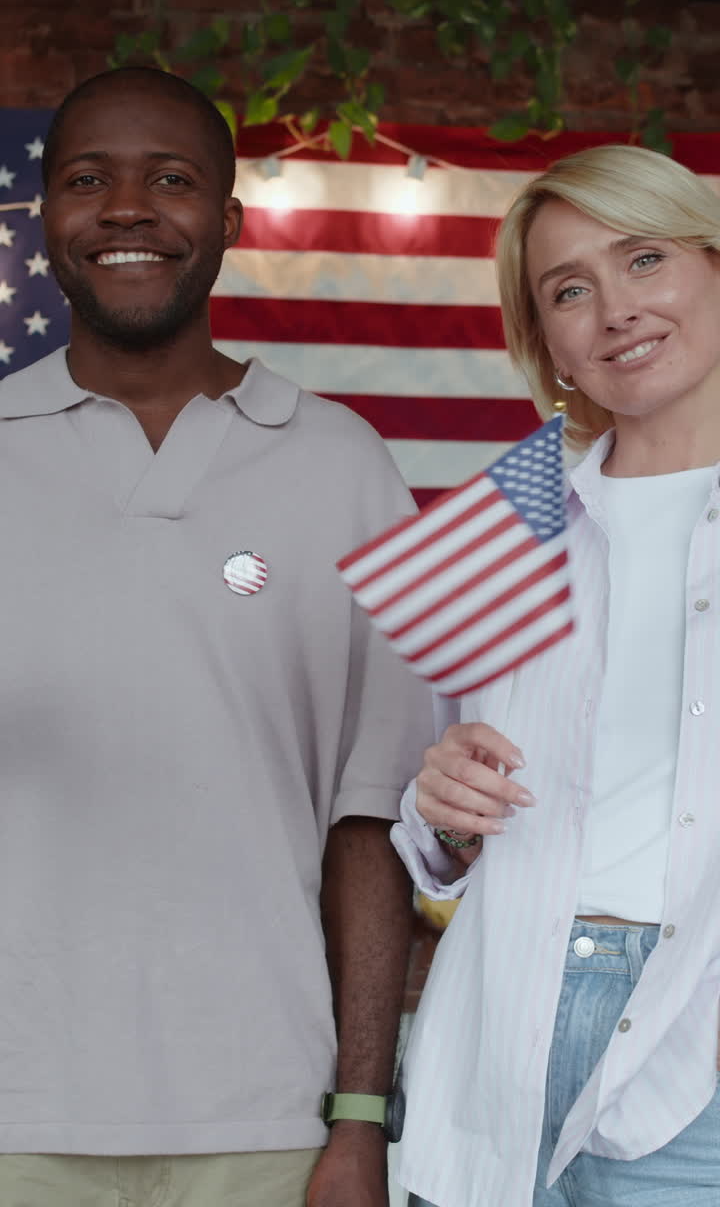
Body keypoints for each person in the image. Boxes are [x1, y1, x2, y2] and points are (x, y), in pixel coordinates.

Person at [0, 66, 433, 1207]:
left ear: (230, 222)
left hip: (269, 1119)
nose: (129, 208)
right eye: (89, 178)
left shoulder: (343, 464)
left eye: (172, 179)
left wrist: (361, 1116)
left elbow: (371, 815)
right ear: (46, 218)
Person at [389, 144, 720, 1207]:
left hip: (695, 1033)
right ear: (551, 348)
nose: (614, 307)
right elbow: (431, 824)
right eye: (569, 290)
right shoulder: (510, 521)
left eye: (646, 259)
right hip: (502, 1018)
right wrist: (442, 807)